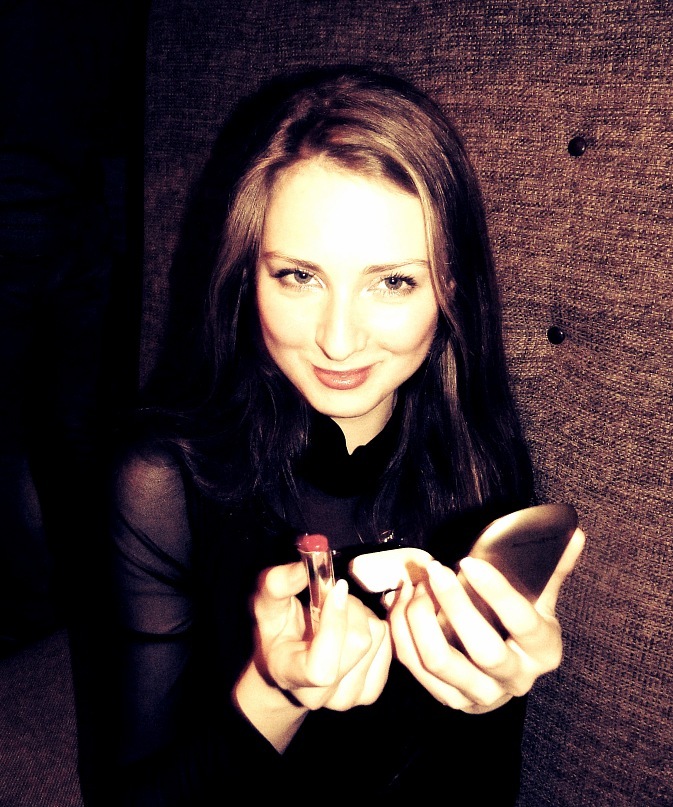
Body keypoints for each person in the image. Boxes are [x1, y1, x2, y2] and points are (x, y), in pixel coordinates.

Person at [106, 66, 585, 805]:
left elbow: (477, 782)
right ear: (248, 276)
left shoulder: (476, 458)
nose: (337, 339)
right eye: (298, 276)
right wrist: (274, 691)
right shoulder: (163, 481)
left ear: (450, 288)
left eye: (392, 282)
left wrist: (489, 693)